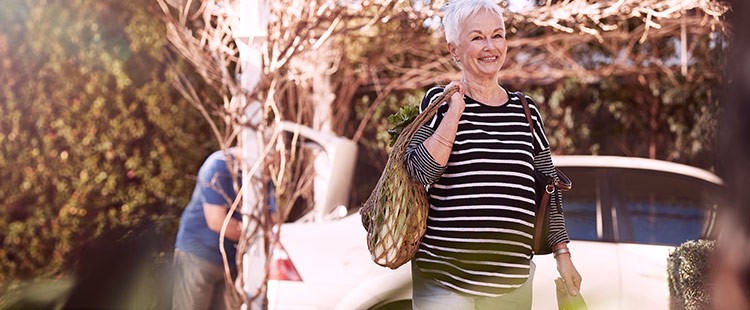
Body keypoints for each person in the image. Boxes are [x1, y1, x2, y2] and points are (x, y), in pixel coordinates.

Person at [403, 0, 582, 308]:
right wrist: (454, 113)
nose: (490, 46)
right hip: (445, 282)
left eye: (497, 35)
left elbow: (549, 191)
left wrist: (563, 256)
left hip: (510, 286)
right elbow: (420, 172)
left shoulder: (527, 112)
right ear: (454, 49)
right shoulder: (439, 103)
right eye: (477, 37)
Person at [173, 148, 243, 310]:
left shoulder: (263, 175)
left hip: (229, 262)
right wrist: (254, 237)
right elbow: (217, 221)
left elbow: (271, 218)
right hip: (198, 255)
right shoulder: (219, 166)